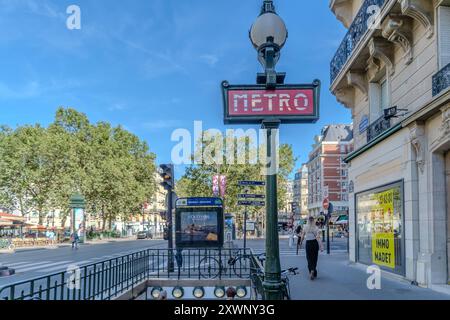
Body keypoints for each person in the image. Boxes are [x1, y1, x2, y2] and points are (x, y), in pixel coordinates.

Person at [300, 216, 324, 280]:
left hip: (308, 244)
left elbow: (302, 236)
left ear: (308, 220)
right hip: (315, 244)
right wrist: (321, 246)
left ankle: (311, 270)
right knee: (315, 258)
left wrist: (300, 243)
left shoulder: (305, 227)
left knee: (309, 258)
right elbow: (318, 238)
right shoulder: (316, 228)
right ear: (313, 221)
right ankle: (313, 270)